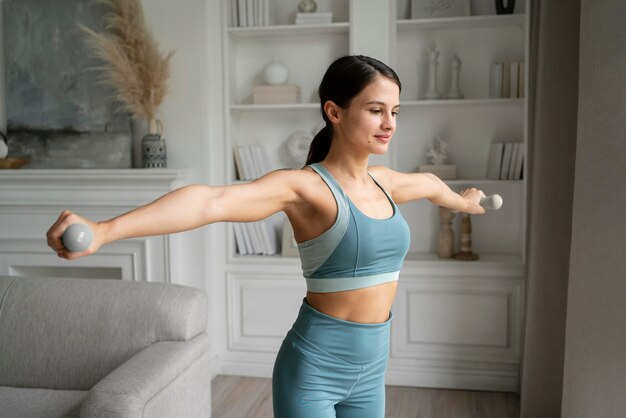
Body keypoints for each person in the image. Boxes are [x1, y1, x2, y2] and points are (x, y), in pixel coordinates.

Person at [47, 55, 486, 418]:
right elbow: (209, 202)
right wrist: (106, 231)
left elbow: (429, 183)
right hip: (313, 371)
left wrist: (462, 202)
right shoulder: (304, 188)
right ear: (334, 111)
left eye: (394, 111)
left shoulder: (387, 182)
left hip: (371, 371)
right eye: (375, 109)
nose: (388, 122)